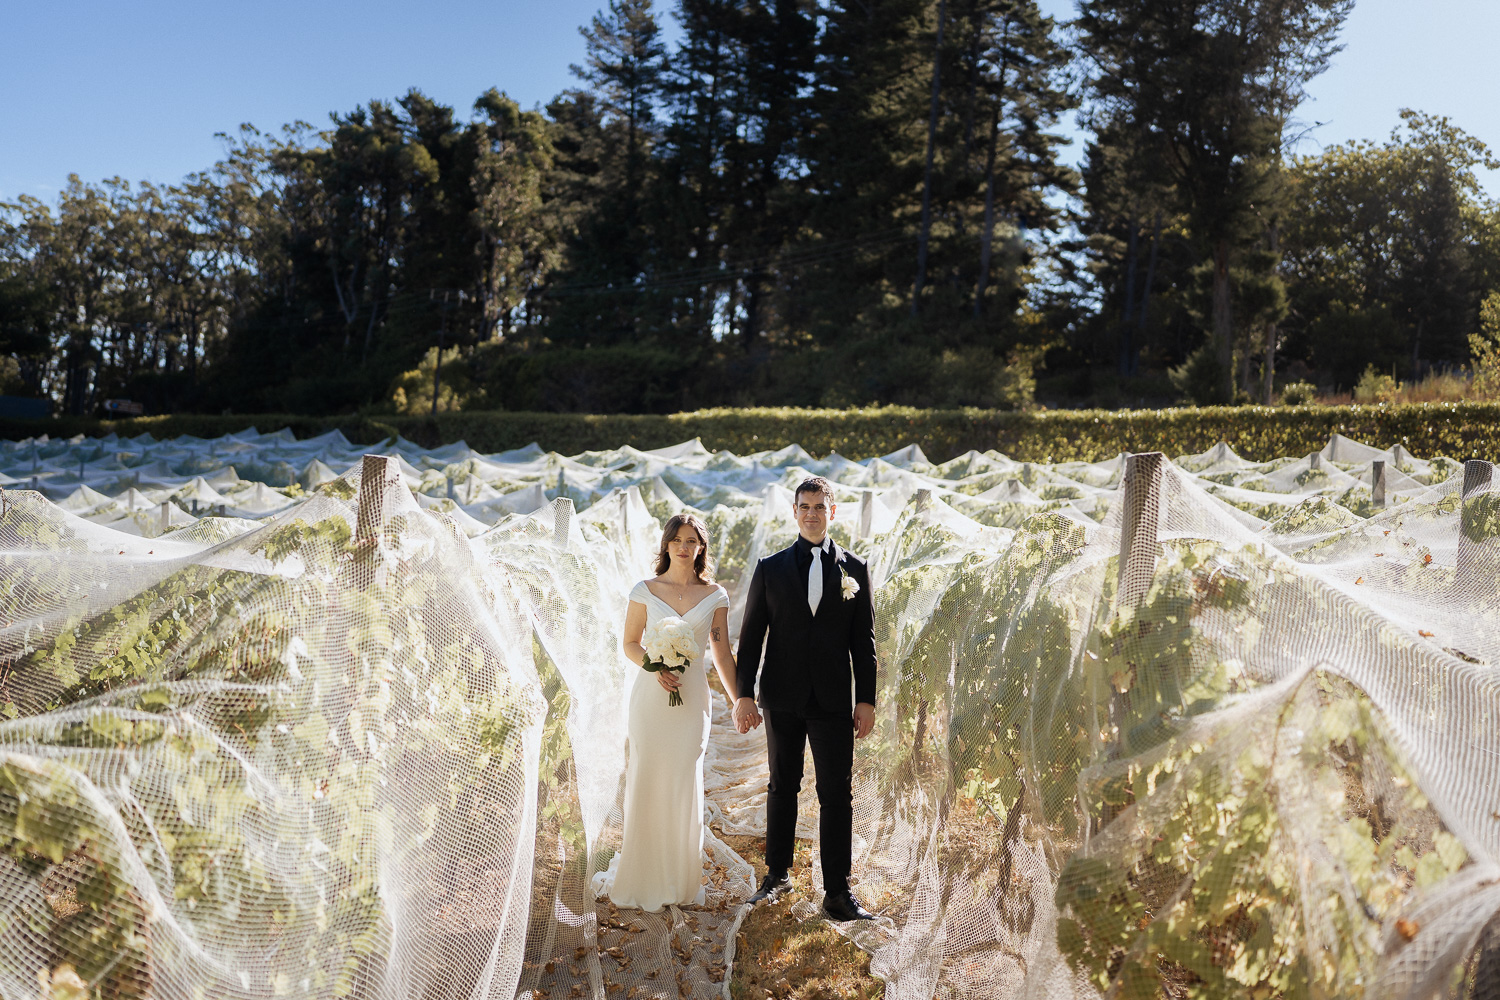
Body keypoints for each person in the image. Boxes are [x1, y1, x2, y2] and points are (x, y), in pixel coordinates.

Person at [733, 476, 878, 922]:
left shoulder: (855, 569)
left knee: (836, 793)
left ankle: (837, 891)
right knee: (783, 785)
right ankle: (776, 874)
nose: (812, 513)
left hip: (834, 700)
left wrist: (866, 699)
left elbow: (864, 641)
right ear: (794, 512)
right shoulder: (770, 568)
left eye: (820, 506)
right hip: (781, 696)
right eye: (804, 506)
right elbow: (752, 637)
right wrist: (743, 694)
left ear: (832, 512)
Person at [598, 512, 739, 911]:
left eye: (691, 540)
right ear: (666, 545)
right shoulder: (644, 590)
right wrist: (654, 667)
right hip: (651, 699)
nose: (683, 546)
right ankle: (642, 874)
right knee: (648, 776)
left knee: (682, 778)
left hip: (691, 700)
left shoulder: (715, 596)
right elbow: (629, 643)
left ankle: (678, 878)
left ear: (701, 548)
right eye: (676, 539)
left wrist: (738, 699)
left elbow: (722, 652)